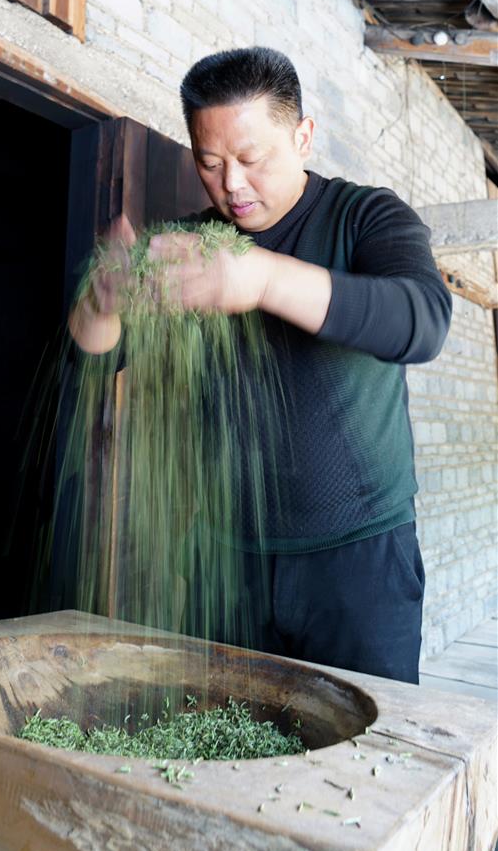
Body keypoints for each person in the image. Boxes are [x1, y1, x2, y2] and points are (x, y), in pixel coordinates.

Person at [69, 47, 452, 684]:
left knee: (367, 739)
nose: (232, 185)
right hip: (228, 560)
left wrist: (263, 279)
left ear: (302, 137)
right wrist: (102, 298)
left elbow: (423, 321)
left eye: (252, 159)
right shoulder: (192, 246)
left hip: (359, 559)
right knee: (222, 730)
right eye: (210, 163)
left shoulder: (364, 217)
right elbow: (96, 351)